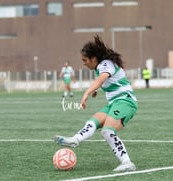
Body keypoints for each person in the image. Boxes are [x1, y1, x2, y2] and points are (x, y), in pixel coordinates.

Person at [55, 35, 138, 172]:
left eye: (85, 60)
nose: (83, 63)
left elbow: (101, 79)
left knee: (107, 131)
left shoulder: (105, 64)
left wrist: (87, 93)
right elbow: (106, 81)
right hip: (115, 102)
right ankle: (75, 139)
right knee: (93, 121)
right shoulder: (101, 66)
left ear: (94, 58)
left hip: (125, 101)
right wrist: (96, 90)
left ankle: (127, 163)